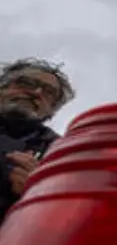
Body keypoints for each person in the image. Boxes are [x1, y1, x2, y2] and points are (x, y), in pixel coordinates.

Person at [0, 58, 74, 219]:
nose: (36, 93)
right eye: (26, 83)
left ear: (51, 111)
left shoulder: (60, 153)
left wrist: (38, 190)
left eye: (49, 93)